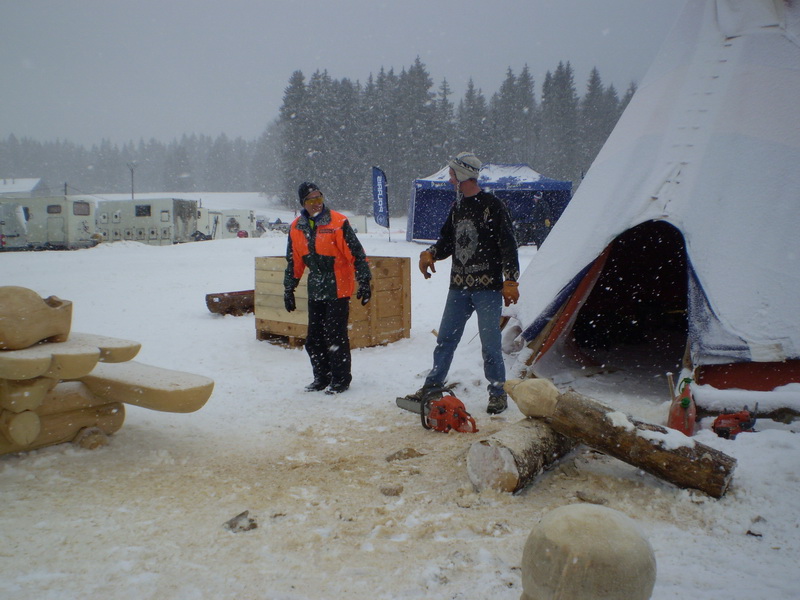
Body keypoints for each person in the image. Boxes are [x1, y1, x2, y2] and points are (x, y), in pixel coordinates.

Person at [404, 152, 520, 414]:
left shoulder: (492, 205)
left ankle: (498, 392)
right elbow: (447, 241)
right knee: (446, 340)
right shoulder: (457, 208)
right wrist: (431, 252)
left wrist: (510, 279)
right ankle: (432, 387)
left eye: (452, 174)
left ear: (464, 175)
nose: (450, 179)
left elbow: (507, 244)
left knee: (490, 345)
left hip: (488, 288)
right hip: (459, 288)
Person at [283, 182, 372, 395]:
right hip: (316, 289)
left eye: (319, 198)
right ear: (303, 203)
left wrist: (365, 280)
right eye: (311, 200)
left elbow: (357, 254)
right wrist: (289, 289)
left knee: (335, 336)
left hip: (338, 288)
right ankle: (321, 377)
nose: (316, 204)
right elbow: (294, 261)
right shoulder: (296, 227)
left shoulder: (338, 222)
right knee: (314, 339)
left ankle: (340, 379)